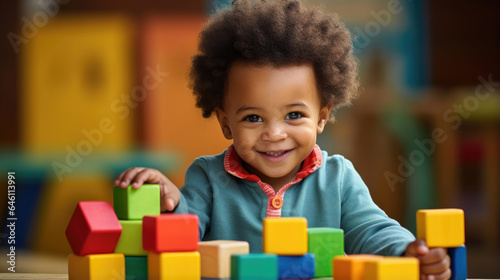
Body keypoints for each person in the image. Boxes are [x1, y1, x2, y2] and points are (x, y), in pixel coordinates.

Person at [115, 0, 450, 278]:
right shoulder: (208, 178)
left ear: (321, 117)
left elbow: (371, 229)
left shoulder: (338, 178)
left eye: (294, 115)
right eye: (253, 117)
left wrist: (407, 250)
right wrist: (169, 201)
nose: (274, 134)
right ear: (225, 123)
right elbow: (185, 233)